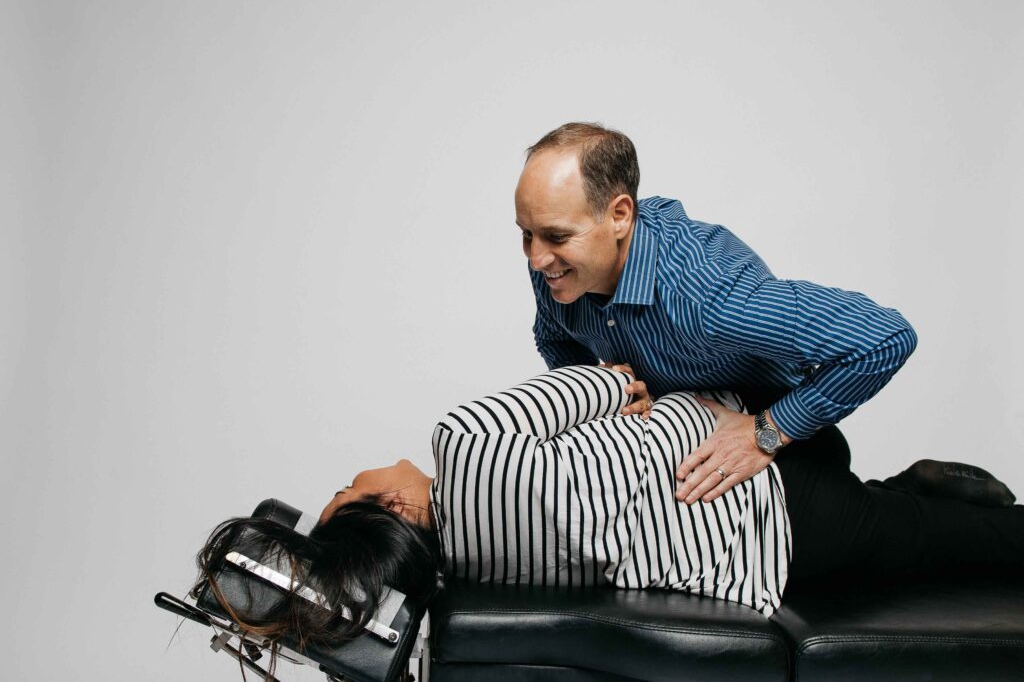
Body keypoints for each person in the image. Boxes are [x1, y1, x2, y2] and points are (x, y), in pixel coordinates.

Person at [197, 365, 1023, 649]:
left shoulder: (476, 570)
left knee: (903, 529)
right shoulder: (466, 439)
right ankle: (919, 490)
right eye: (353, 479)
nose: (365, 465)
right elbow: (619, 377)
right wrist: (622, 413)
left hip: (767, 539)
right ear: (390, 502)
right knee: (963, 540)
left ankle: (913, 488)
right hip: (760, 477)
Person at [514, 121, 920, 515]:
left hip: (779, 437)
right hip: (681, 427)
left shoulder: (705, 292)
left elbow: (884, 337)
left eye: (557, 236)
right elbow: (554, 338)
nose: (535, 258)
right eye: (527, 233)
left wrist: (766, 432)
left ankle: (924, 490)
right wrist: (605, 390)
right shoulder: (556, 271)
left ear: (620, 214)